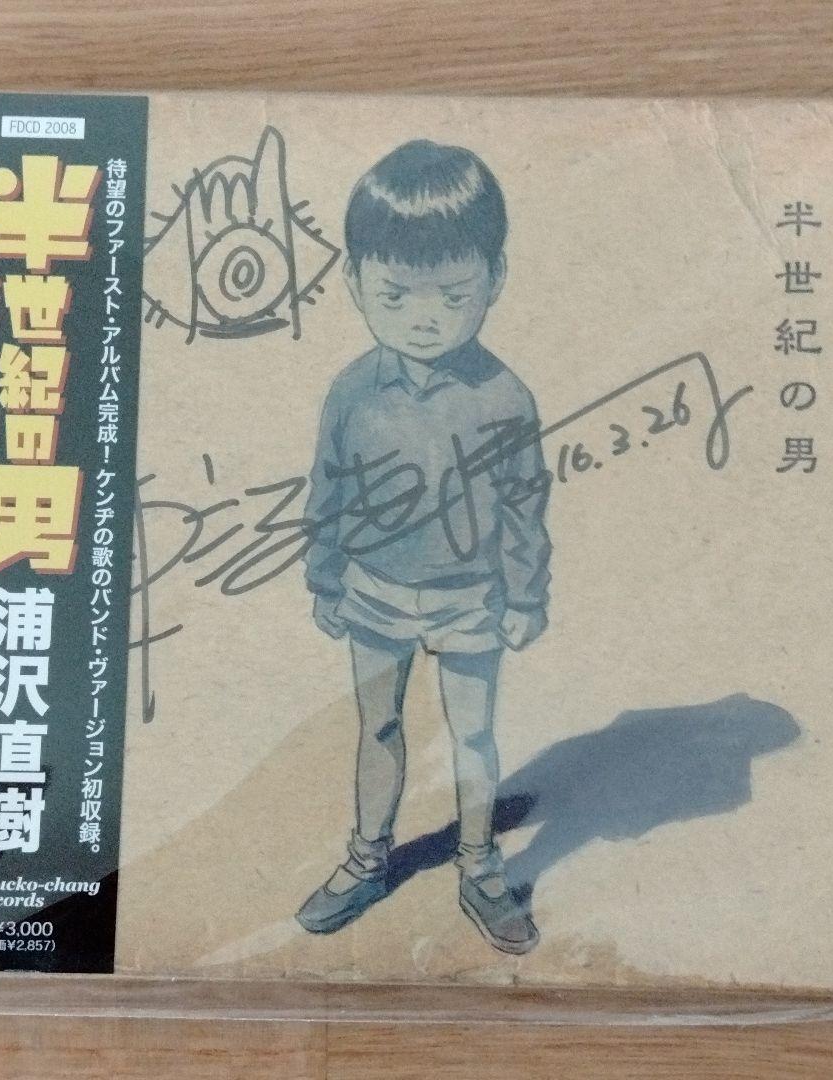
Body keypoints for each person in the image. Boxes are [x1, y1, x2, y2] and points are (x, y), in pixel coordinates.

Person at [297, 139, 552, 955]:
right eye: (396, 294)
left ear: (495, 278)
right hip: (372, 588)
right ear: (354, 283)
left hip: (472, 597)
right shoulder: (351, 392)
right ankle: (367, 859)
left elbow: (525, 506)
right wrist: (324, 579)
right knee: (377, 726)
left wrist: (526, 597)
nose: (424, 315)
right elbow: (327, 488)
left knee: (472, 735)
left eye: (453, 293)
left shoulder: (505, 397)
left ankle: (479, 866)